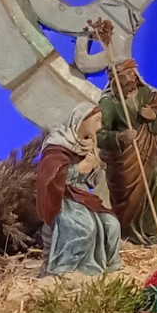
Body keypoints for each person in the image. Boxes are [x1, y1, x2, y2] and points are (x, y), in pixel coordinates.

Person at [96, 57, 157, 245]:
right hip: (125, 161)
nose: (132, 83)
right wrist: (119, 137)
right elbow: (98, 135)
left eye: (133, 77)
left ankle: (150, 232)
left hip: (149, 152)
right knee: (130, 200)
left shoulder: (144, 93)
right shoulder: (109, 103)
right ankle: (129, 234)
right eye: (126, 80)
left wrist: (154, 116)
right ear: (117, 82)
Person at [36, 104, 122, 276]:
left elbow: (92, 182)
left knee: (111, 224)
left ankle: (109, 266)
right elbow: (49, 176)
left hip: (82, 196)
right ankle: (67, 269)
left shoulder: (90, 145)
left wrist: (95, 167)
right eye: (97, 121)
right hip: (61, 198)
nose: (99, 126)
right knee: (85, 228)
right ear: (83, 120)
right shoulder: (58, 143)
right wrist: (79, 169)